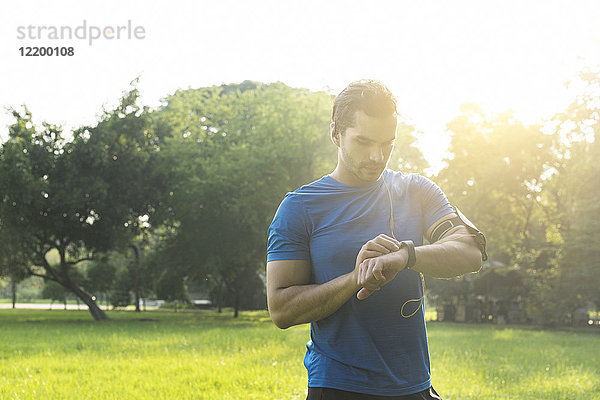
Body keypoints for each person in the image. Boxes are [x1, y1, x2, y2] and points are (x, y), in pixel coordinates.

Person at [266, 80, 486, 399]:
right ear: (335, 134)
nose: (376, 156)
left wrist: (405, 256)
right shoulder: (299, 207)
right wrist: (355, 279)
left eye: (387, 143)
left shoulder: (418, 191)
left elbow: (471, 251)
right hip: (338, 385)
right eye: (363, 142)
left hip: (414, 384)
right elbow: (282, 310)